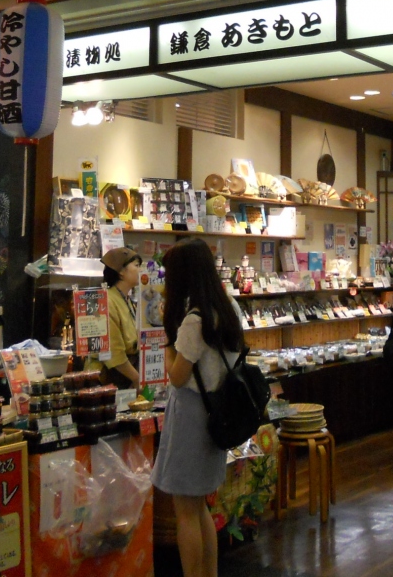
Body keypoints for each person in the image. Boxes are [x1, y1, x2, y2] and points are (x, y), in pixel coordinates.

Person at [151, 238, 243, 577]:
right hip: (216, 412)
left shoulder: (194, 320)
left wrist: (168, 343)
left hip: (191, 416)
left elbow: (177, 377)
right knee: (200, 505)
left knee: (185, 512)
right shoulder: (229, 307)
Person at [84, 246, 142, 389]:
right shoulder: (104, 301)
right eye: (137, 266)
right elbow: (112, 351)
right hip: (106, 379)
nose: (141, 270)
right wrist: (137, 379)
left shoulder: (125, 299)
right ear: (121, 271)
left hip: (125, 375)